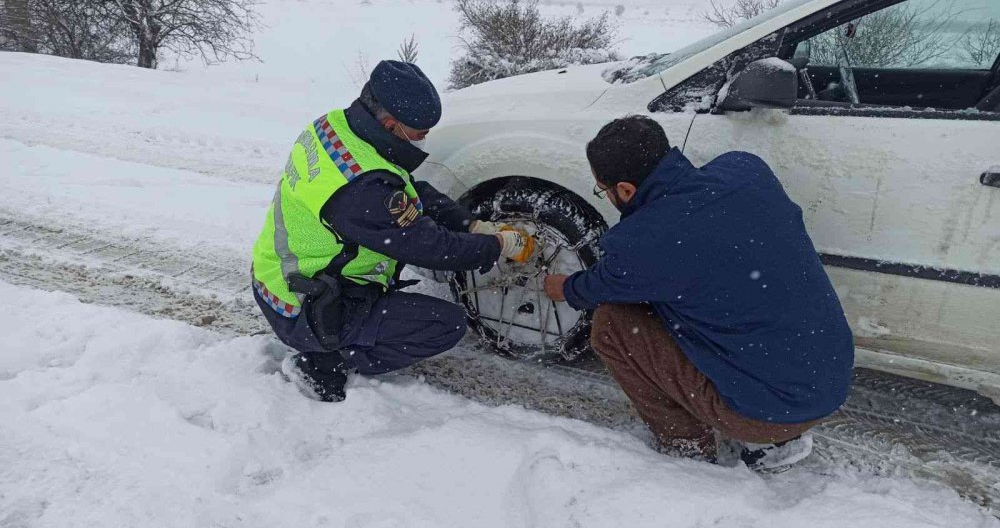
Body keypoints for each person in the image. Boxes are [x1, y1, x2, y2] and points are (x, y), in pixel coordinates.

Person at [543, 115, 854, 470]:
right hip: (832, 378)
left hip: (770, 412)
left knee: (612, 325)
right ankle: (777, 431)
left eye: (605, 189)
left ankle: (689, 449)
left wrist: (563, 286)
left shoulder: (642, 243)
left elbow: (596, 288)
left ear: (626, 190)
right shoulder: (746, 170)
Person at [251, 60, 535, 402]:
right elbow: (430, 247)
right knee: (444, 325)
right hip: (303, 305)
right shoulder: (361, 189)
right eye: (419, 131)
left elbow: (408, 191)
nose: (425, 137)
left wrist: (469, 223)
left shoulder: (338, 128)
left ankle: (336, 334)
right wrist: (496, 244)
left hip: (277, 277)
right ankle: (323, 361)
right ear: (390, 124)